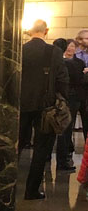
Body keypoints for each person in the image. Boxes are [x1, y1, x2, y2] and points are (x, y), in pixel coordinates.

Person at [19, 20, 69, 200]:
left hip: (21, 105)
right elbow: (63, 79)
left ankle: (5, 188)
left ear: (30, 31)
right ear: (46, 31)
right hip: (46, 106)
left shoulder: (20, 50)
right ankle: (31, 190)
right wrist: (62, 99)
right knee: (42, 149)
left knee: (16, 145)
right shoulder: (54, 52)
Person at [53, 38, 85, 171]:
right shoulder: (68, 64)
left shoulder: (63, 62)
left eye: (73, 46)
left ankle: (61, 156)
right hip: (70, 98)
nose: (71, 48)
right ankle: (62, 159)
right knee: (65, 129)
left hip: (67, 97)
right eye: (69, 46)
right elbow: (78, 80)